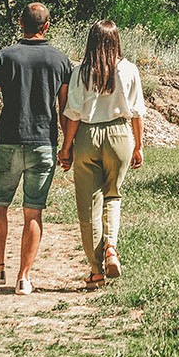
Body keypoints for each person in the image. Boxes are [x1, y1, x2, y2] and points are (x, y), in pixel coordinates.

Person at [0, 2, 71, 296]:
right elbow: (65, 109)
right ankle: (24, 278)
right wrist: (67, 147)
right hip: (44, 144)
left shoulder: (4, 57)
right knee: (33, 212)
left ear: (20, 23)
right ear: (47, 26)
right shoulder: (61, 61)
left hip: (9, 141)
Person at [58, 19, 145, 289]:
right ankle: (111, 247)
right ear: (116, 41)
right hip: (120, 134)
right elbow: (137, 112)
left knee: (88, 206)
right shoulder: (129, 69)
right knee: (113, 194)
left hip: (88, 134)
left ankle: (96, 271)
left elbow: (73, 114)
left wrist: (66, 147)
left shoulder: (80, 72)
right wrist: (139, 146)